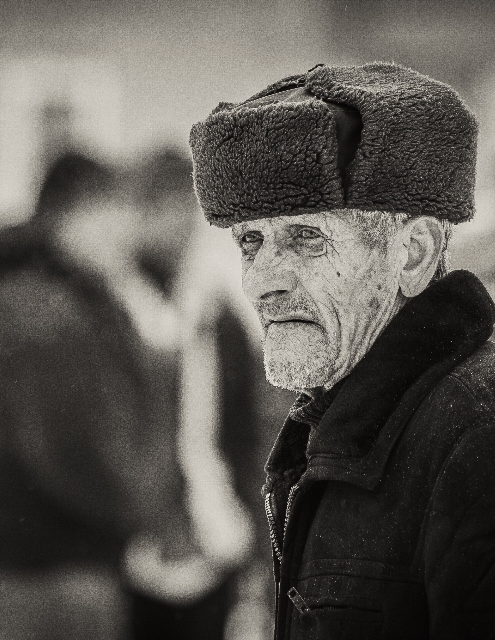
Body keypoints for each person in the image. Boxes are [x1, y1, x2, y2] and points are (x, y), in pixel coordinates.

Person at [188, 62, 495, 638]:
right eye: (251, 242)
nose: (262, 281)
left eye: (307, 238)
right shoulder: (343, 424)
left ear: (410, 254)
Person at [0, 153, 174, 640]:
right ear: (71, 216)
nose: (128, 232)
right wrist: (142, 509)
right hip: (49, 579)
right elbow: (68, 446)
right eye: (114, 212)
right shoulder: (47, 312)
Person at [122, 149, 293, 640]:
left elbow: (251, 435)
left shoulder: (216, 315)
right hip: (124, 546)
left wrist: (260, 542)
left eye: (185, 209)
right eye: (158, 208)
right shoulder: (107, 314)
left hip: (213, 535)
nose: (175, 226)